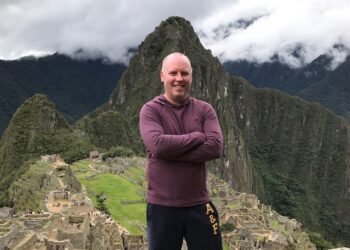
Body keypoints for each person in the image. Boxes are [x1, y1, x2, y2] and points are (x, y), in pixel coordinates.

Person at [139, 52, 224, 250]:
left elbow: (214, 148)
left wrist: (168, 153)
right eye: (173, 73)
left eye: (184, 73)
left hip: (200, 205)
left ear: (191, 77)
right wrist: (197, 137)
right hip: (162, 208)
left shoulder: (205, 110)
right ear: (162, 76)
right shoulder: (151, 110)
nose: (179, 79)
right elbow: (158, 145)